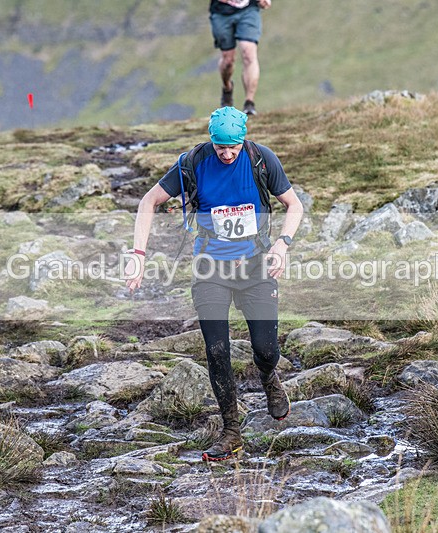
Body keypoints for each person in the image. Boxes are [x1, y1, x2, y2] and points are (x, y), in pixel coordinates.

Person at [126, 106, 303, 461]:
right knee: (217, 351)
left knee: (267, 349)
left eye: (232, 147)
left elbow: (293, 205)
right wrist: (138, 253)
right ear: (212, 140)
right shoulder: (193, 162)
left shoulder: (261, 159)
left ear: (243, 140)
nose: (226, 153)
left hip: (256, 267)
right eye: (220, 146)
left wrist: (282, 244)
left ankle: (269, 377)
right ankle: (231, 431)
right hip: (210, 269)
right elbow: (149, 201)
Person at [210, 0, 271, 116]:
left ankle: (249, 103)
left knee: (249, 53)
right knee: (228, 60)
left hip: (248, 9)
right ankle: (227, 87)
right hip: (221, 11)